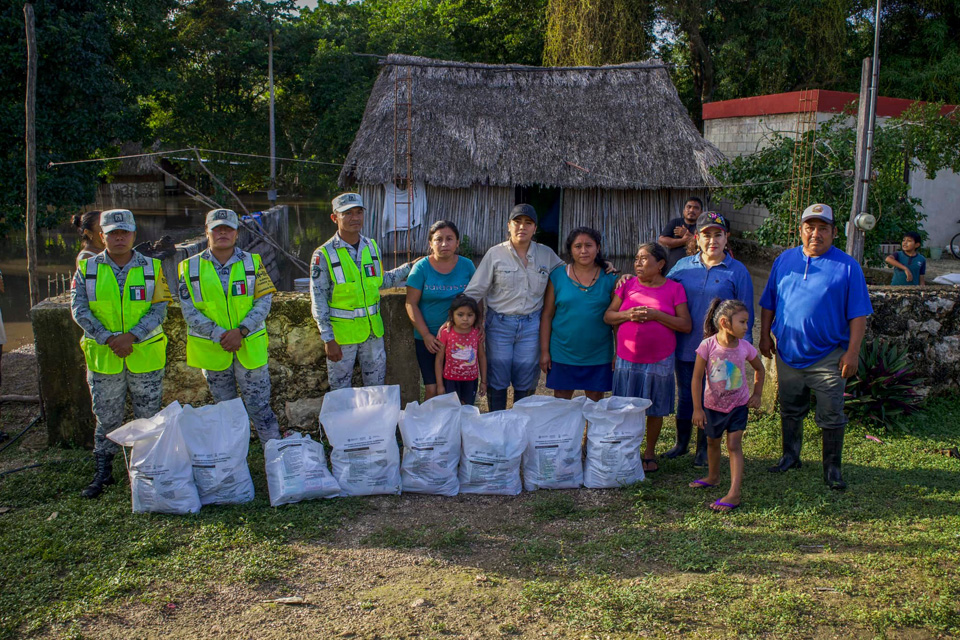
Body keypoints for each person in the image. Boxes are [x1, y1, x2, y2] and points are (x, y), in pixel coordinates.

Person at [759, 203, 873, 491]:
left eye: (823, 228)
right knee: (790, 408)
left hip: (829, 356)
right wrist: (763, 336)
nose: (815, 233)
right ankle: (790, 456)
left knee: (831, 413)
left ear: (834, 232)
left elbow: (858, 314)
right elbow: (769, 302)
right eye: (810, 227)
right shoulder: (784, 260)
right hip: (788, 353)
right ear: (801, 230)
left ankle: (832, 470)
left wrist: (852, 352)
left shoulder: (848, 266)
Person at [71, 209, 172, 499]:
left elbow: (159, 309)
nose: (119, 238)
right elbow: (79, 309)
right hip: (105, 356)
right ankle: (103, 473)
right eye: (112, 233)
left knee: (148, 416)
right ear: (101, 236)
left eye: (124, 233)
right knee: (107, 417)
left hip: (145, 354)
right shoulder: (87, 269)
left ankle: (148, 470)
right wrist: (109, 338)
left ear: (133, 235)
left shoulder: (152, 267)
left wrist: (132, 336)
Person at [177, 208, 282, 445]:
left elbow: (264, 301)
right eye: (217, 228)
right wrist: (220, 335)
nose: (223, 232)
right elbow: (189, 310)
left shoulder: (253, 263)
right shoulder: (189, 267)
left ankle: (275, 455)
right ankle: (234, 457)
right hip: (214, 350)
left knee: (261, 408)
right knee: (224, 410)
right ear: (207, 232)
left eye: (228, 228)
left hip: (249, 348)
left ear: (236, 233)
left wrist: (241, 331)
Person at [666, 211, 754, 466]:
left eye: (718, 234)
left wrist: (742, 352)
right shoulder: (682, 267)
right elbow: (660, 289)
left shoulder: (737, 272)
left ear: (727, 238)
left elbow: (746, 313)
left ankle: (704, 449)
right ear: (697, 238)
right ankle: (681, 443)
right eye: (707, 235)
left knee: (713, 399)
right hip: (686, 346)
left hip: (721, 352)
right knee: (686, 395)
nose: (713, 240)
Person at [464, 204, 565, 411]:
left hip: (531, 325)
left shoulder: (546, 254)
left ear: (535, 228)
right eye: (517, 222)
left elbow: (569, 276)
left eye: (528, 223)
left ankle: (520, 427)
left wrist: (601, 268)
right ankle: (498, 425)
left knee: (526, 377)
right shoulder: (495, 254)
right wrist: (454, 319)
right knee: (497, 377)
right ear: (508, 226)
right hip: (500, 324)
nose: (522, 227)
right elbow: (475, 291)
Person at [310, 192, 417, 390]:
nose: (355, 218)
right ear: (335, 218)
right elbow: (318, 299)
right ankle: (341, 423)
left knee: (375, 389)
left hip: (373, 333)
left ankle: (375, 422)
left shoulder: (371, 246)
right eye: (348, 213)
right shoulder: (324, 254)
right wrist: (328, 338)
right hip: (342, 337)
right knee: (340, 391)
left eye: (359, 212)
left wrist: (410, 267)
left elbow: (379, 281)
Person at [604, 243, 691, 473]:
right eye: (636, 258)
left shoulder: (674, 289)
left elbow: (685, 324)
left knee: (654, 407)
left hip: (660, 359)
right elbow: (609, 316)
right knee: (624, 407)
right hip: (627, 357)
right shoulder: (627, 285)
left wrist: (656, 315)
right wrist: (627, 314)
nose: (637, 263)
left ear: (661, 264)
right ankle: (626, 449)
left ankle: (649, 452)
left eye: (644, 258)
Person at [689, 299, 765, 513]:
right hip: (712, 406)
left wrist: (757, 394)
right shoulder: (707, 346)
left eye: (747, 322)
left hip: (738, 406)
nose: (746, 327)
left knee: (733, 445)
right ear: (724, 322)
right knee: (712, 443)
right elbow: (696, 379)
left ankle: (734, 493)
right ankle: (713, 477)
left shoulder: (745, 347)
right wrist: (697, 408)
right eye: (742, 322)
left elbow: (760, 369)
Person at [539, 226, 618, 401]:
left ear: (597, 248)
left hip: (598, 353)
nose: (583, 251)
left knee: (596, 401)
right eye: (578, 246)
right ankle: (566, 431)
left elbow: (616, 321)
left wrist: (617, 352)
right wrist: (544, 351)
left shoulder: (610, 278)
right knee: (561, 400)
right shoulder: (557, 276)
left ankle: (591, 431)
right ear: (570, 250)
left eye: (589, 245)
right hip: (562, 352)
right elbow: (547, 315)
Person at [405, 220, 476, 399]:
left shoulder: (467, 266)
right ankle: (431, 426)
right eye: (438, 239)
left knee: (457, 389)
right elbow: (410, 303)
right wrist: (427, 335)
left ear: (457, 242)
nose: (444, 244)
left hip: (460, 338)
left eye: (449, 239)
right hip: (429, 340)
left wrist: (479, 324)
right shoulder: (421, 268)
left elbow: (476, 298)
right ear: (430, 243)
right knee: (433, 389)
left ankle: (457, 426)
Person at [435, 295, 487, 406]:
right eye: (460, 315)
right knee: (451, 409)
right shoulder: (445, 333)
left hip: (471, 380)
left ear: (476, 316)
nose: (465, 319)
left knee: (467, 408)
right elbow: (439, 359)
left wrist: (483, 382)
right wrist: (440, 384)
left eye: (470, 315)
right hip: (450, 380)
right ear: (451, 315)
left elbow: (482, 357)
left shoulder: (477, 333)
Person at [658, 196, 703, 272]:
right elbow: (662, 240)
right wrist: (683, 240)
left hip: (695, 269)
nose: (692, 210)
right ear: (684, 210)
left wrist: (690, 236)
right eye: (689, 207)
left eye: (696, 208)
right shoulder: (675, 222)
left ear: (701, 212)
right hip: (673, 267)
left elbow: (704, 242)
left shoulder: (703, 226)